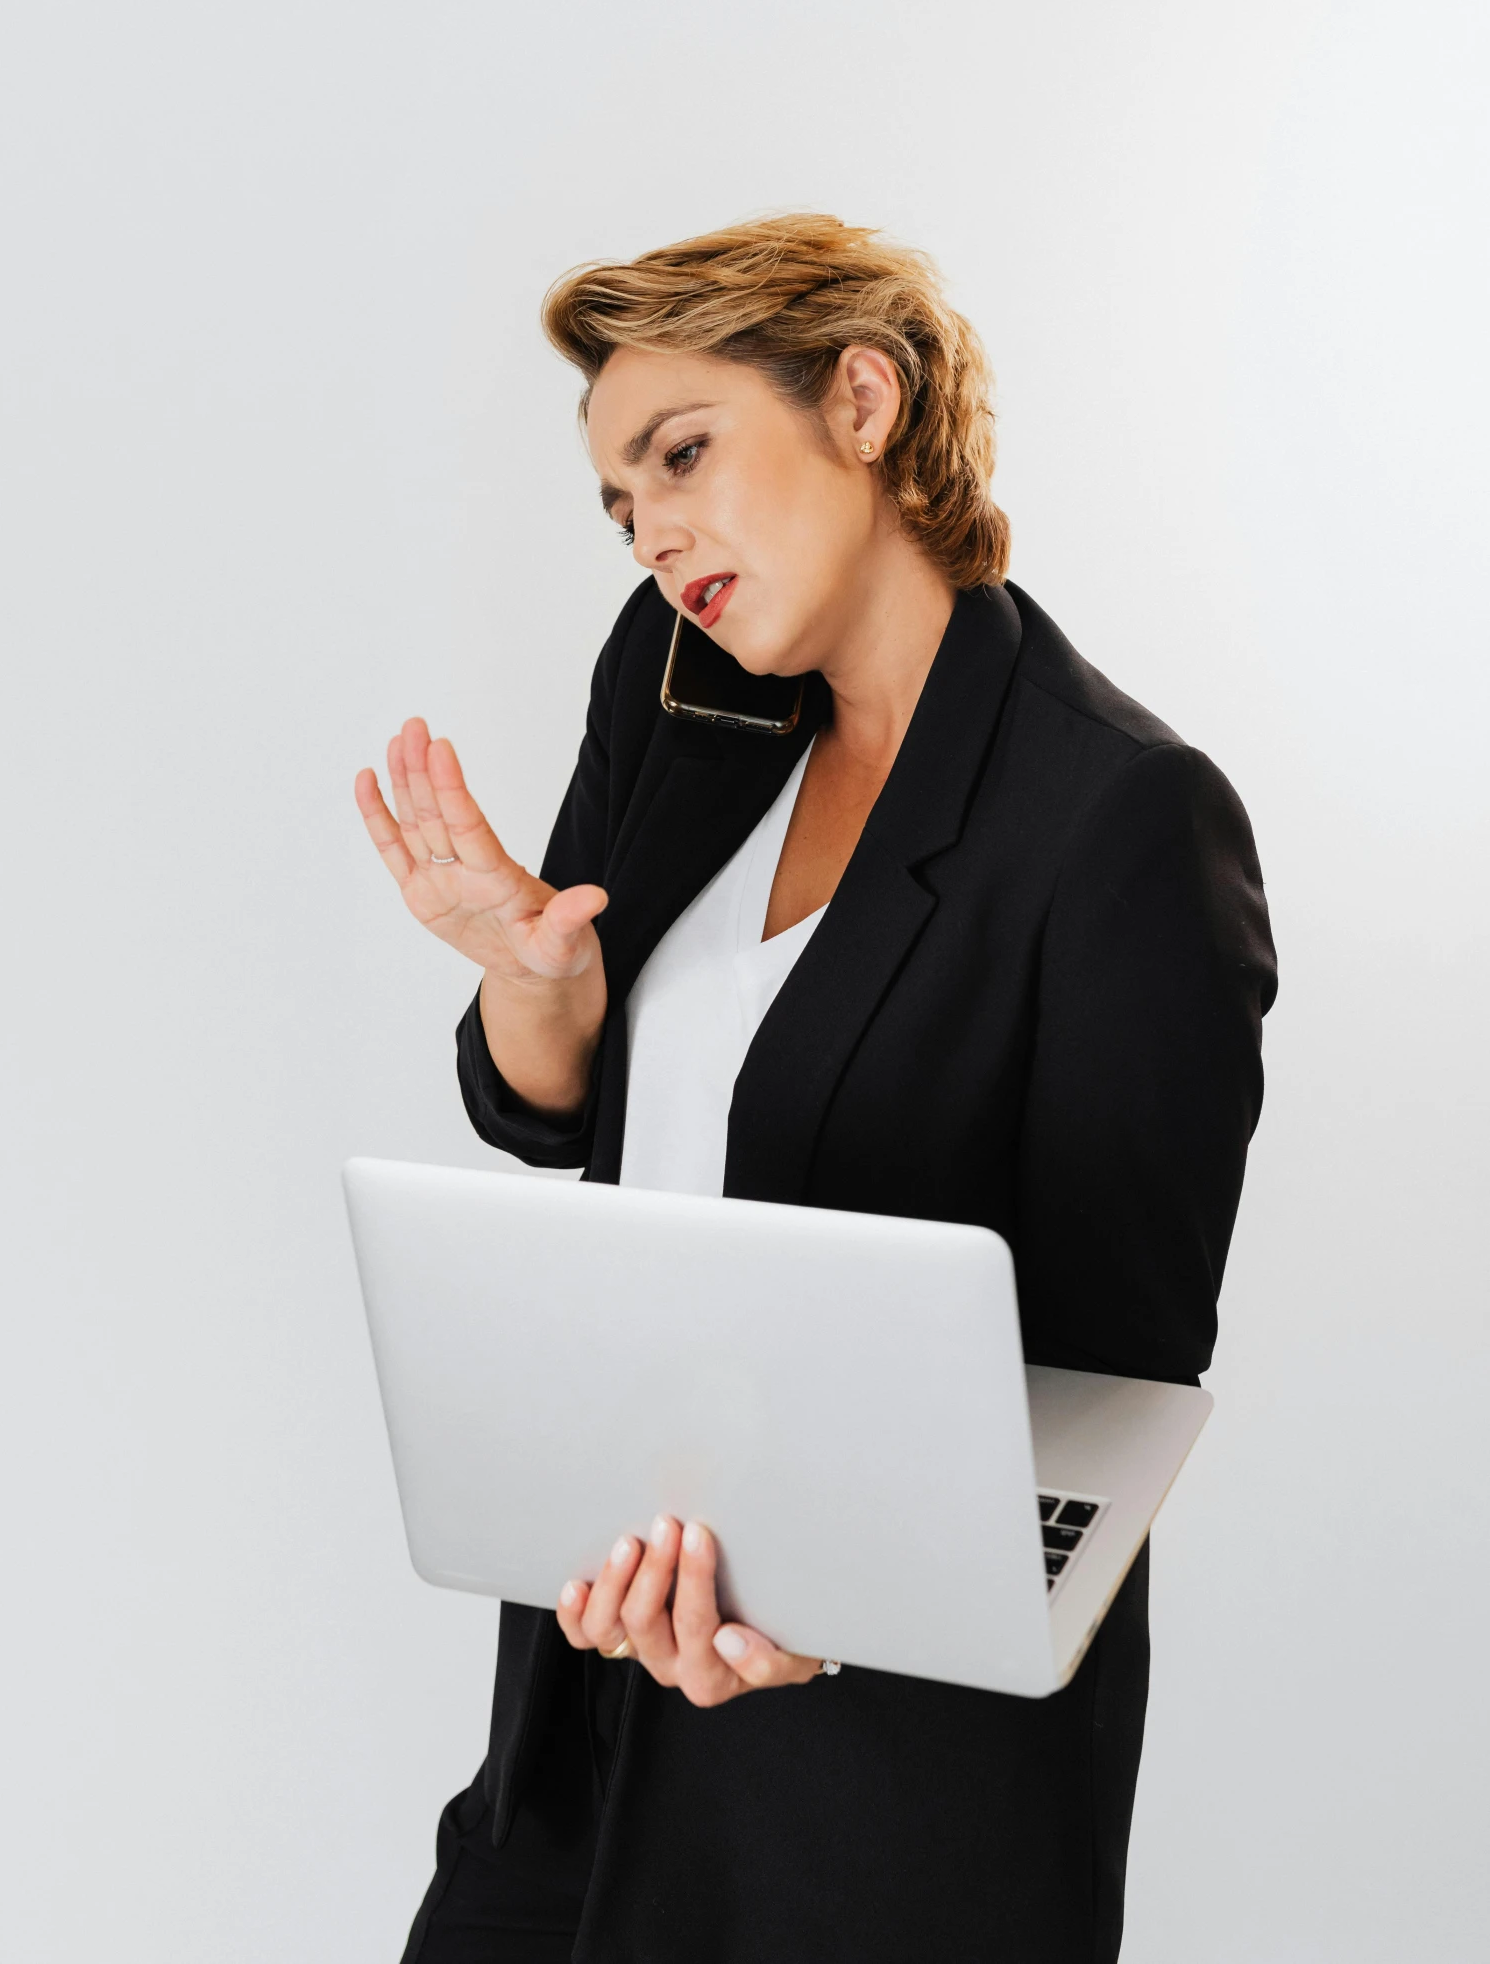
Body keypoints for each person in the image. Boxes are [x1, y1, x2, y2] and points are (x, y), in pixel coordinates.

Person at [354, 215, 1277, 1964]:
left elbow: (1105, 1403)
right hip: (591, 1701)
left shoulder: (1120, 822)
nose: (653, 535)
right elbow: (546, 1112)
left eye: (682, 454)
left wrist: (824, 1600)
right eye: (621, 503)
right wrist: (534, 979)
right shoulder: (675, 692)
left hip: (881, 1795)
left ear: (862, 400)